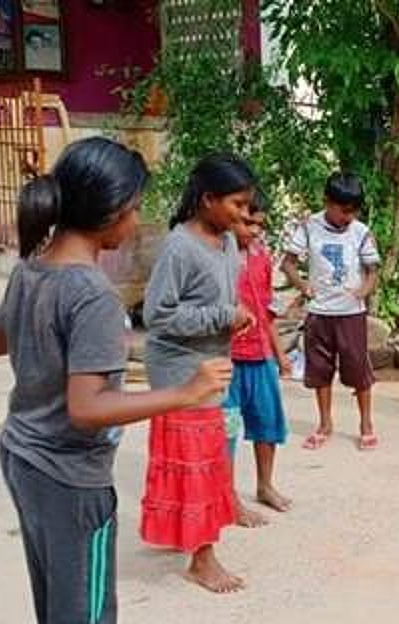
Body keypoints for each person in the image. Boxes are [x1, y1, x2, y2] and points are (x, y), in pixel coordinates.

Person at [0, 137, 232, 624]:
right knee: (88, 612)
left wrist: (43, 333)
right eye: (135, 206)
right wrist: (184, 392)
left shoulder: (33, 267)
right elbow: (88, 407)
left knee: (58, 598)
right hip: (71, 478)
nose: (139, 219)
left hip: (21, 455)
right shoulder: (90, 292)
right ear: (111, 210)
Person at [141, 153, 258, 594]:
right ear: (208, 200)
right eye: (237, 205)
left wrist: (229, 318)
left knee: (205, 454)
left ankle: (189, 535)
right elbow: (157, 315)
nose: (244, 215)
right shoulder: (178, 247)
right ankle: (202, 559)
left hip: (212, 364)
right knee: (196, 460)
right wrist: (222, 317)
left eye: (248, 207)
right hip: (179, 368)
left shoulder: (227, 241)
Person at [281, 172, 381, 451]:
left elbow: (373, 272)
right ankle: (325, 424)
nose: (348, 217)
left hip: (351, 314)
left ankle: (366, 424)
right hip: (319, 313)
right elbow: (287, 263)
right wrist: (302, 285)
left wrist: (363, 291)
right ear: (327, 202)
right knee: (320, 371)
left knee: (359, 371)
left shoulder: (361, 232)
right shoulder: (309, 227)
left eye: (353, 211)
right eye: (343, 210)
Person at [224, 192, 293, 515]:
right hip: (226, 357)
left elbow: (266, 312)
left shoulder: (261, 257)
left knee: (267, 423)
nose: (252, 230)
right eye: (246, 222)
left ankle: (265, 485)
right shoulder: (218, 258)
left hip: (260, 354)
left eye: (258, 225)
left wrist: (280, 356)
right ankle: (228, 496)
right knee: (227, 430)